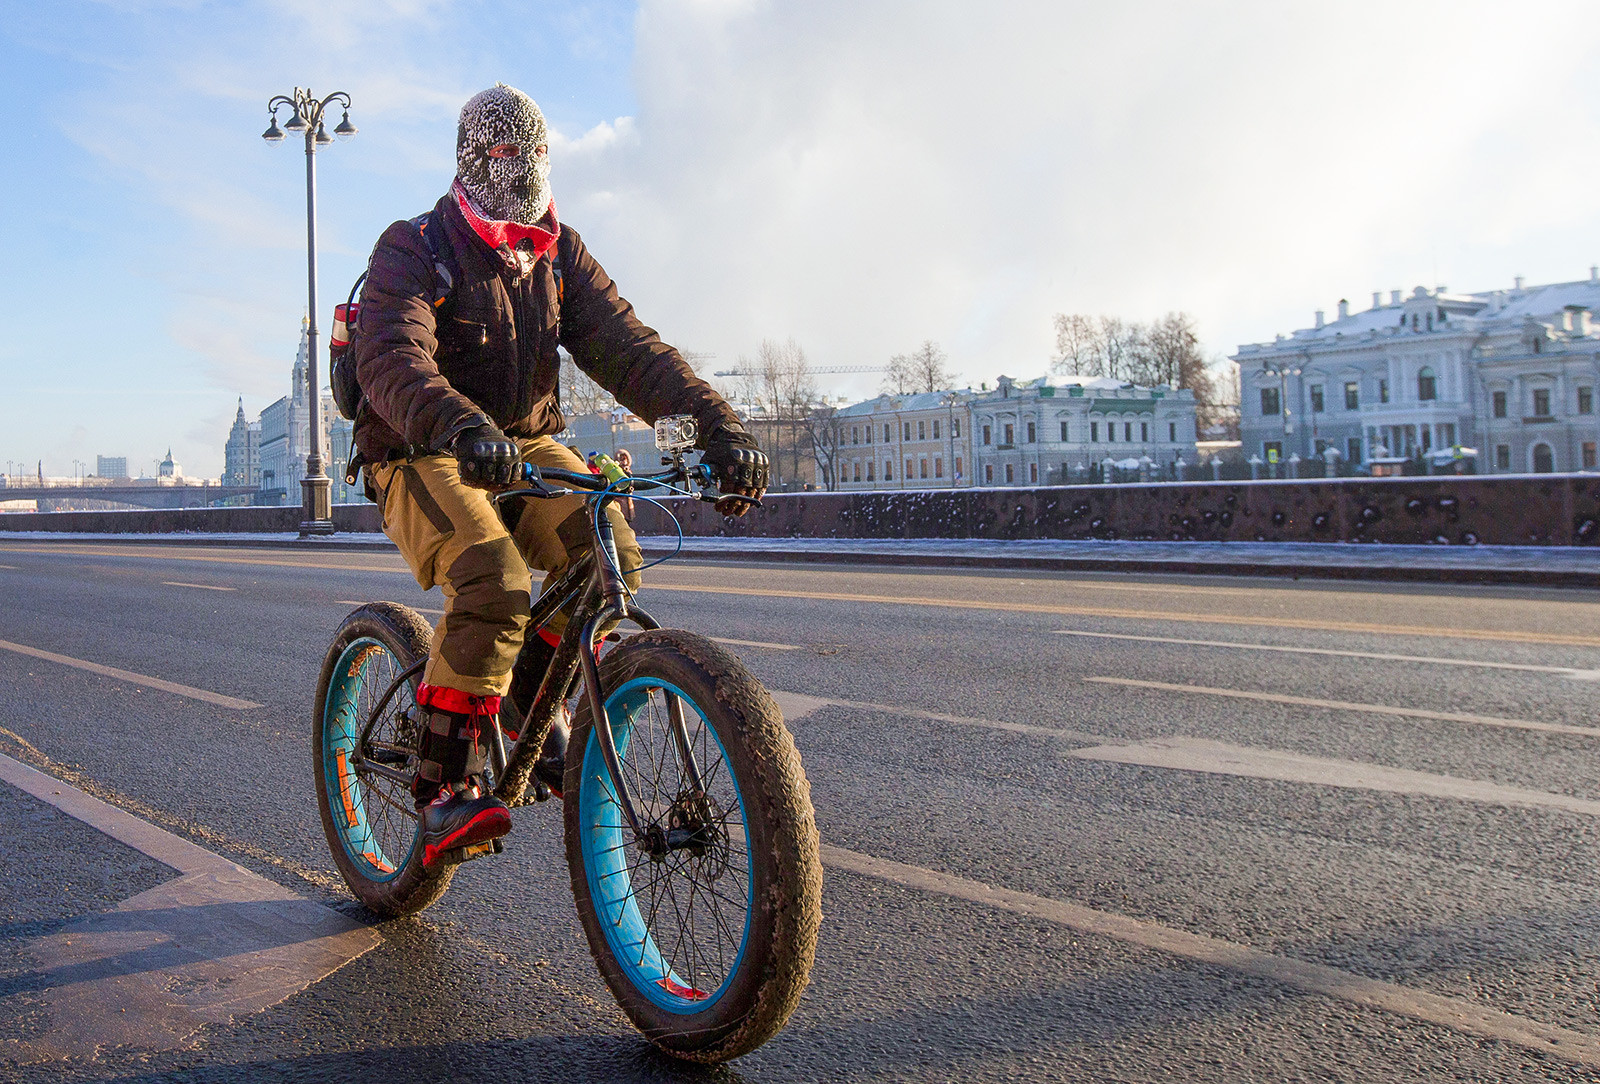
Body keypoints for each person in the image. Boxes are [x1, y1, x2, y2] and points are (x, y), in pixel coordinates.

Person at [353, 84, 769, 868]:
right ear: (475, 161)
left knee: (610, 549)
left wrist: (718, 424)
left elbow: (630, 349)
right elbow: (392, 357)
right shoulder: (415, 247)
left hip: (521, 443)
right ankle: (442, 786)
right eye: (508, 155)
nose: (524, 171)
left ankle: (514, 705)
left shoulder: (555, 251)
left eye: (535, 155)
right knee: (493, 580)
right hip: (422, 445)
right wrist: (456, 423)